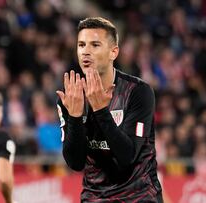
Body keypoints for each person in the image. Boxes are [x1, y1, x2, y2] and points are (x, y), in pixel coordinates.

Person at [56, 17, 163, 202]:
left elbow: (127, 156)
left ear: (113, 52)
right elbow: (75, 162)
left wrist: (100, 110)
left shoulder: (138, 92)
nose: (85, 52)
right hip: (95, 198)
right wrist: (74, 116)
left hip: (138, 197)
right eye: (81, 45)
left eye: (95, 45)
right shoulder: (72, 96)